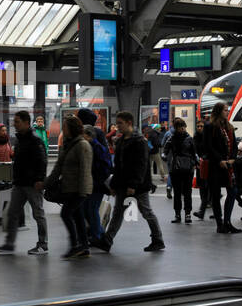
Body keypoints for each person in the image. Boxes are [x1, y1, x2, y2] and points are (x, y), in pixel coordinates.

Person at [98, 111, 165, 253]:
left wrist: (133, 185)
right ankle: (107, 241)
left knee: (146, 211)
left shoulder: (139, 141)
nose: (117, 126)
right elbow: (119, 165)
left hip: (137, 185)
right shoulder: (122, 140)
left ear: (129, 123)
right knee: (118, 212)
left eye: (120, 123)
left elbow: (141, 165)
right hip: (124, 183)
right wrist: (114, 185)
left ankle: (157, 239)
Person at [0, 111, 48, 255]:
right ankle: (9, 244)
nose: (14, 124)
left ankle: (43, 244)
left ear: (26, 122)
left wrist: (39, 179)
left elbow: (42, 161)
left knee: (38, 214)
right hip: (20, 183)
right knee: (12, 213)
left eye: (17, 121)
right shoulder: (21, 139)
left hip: (32, 184)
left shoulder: (35, 140)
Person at [47, 115, 92, 259]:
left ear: (71, 128)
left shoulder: (82, 145)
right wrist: (46, 182)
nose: (62, 129)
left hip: (78, 190)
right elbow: (58, 167)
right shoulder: (68, 144)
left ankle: (75, 246)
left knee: (66, 214)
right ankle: (83, 247)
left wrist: (82, 192)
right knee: (77, 217)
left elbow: (85, 170)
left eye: (65, 127)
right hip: (70, 188)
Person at [78, 108, 112, 246]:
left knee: (91, 209)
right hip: (94, 178)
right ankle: (95, 234)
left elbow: (102, 156)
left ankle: (99, 237)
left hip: (94, 179)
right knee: (88, 208)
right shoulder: (97, 132)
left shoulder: (93, 133)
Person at [205, 102, 239, 234]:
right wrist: (219, 160)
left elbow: (234, 145)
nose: (227, 112)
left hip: (229, 165)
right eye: (225, 110)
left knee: (233, 191)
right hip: (216, 166)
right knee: (215, 194)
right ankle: (220, 224)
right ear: (218, 111)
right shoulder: (210, 126)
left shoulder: (229, 126)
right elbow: (208, 146)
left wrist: (232, 158)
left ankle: (227, 221)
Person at [163, 117, 197, 224]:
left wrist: (196, 162)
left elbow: (194, 152)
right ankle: (177, 214)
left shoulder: (189, 139)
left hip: (187, 168)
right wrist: (164, 156)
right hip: (176, 168)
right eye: (180, 127)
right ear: (176, 128)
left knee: (187, 192)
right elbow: (165, 150)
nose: (182, 129)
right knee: (177, 192)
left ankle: (187, 213)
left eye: (183, 127)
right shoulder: (171, 138)